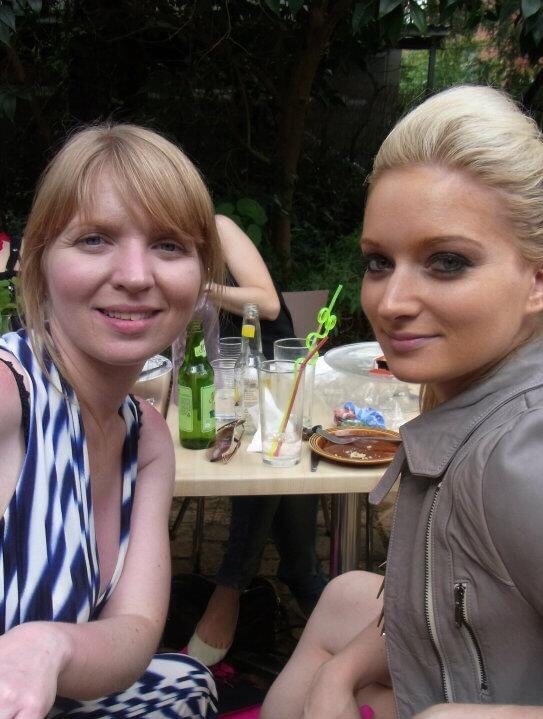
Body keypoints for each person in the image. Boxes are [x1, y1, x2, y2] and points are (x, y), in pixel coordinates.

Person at [261, 84, 543, 719]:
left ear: (536, 279)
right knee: (343, 598)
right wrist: (344, 670)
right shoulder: (468, 400)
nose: (390, 304)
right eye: (379, 262)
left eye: (447, 262)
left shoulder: (523, 455)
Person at [0, 123, 222, 717]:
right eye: (95, 239)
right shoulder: (9, 396)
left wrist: (49, 647)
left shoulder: (147, 437)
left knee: (188, 681)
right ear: (39, 260)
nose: (135, 275)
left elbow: (135, 630)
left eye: (168, 245)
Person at [174, 215, 328, 667]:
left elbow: (268, 304)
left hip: (269, 374)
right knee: (273, 468)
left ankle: (230, 588)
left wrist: (200, 286)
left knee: (266, 456)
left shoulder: (217, 228)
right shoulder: (146, 249)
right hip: (216, 385)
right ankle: (303, 580)